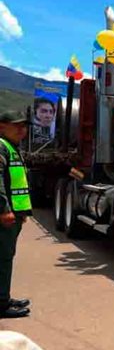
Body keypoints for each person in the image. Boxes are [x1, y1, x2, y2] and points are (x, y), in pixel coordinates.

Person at [0, 111, 33, 319]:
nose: (22, 130)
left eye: (24, 126)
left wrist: (22, 212)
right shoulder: (1, 146)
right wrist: (4, 209)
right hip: (5, 216)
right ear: (2, 126)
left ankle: (4, 297)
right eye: (17, 125)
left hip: (14, 214)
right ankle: (1, 304)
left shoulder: (11, 147)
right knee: (3, 258)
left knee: (6, 257)